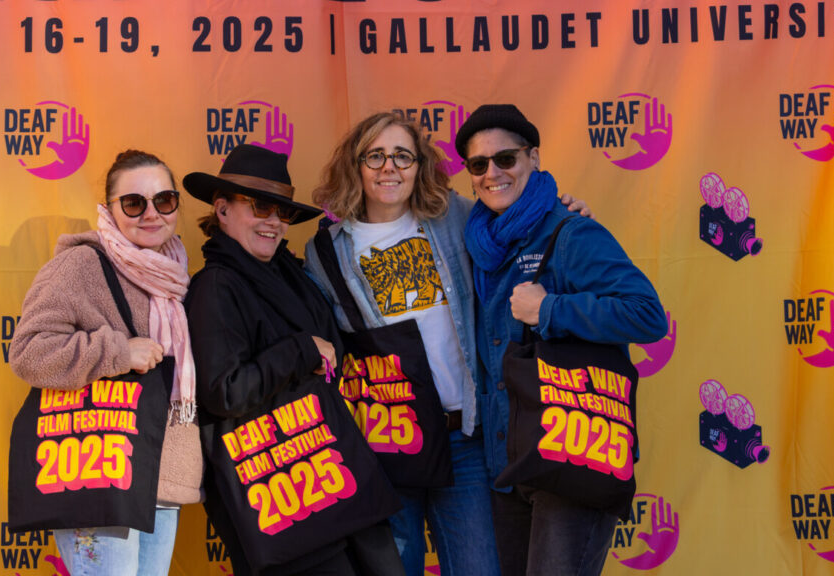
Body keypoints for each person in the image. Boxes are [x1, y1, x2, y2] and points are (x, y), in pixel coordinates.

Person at [304, 111, 589, 576]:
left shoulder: (457, 216)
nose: (389, 167)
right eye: (375, 156)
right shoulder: (324, 251)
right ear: (355, 165)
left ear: (420, 166)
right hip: (387, 443)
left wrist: (566, 211)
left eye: (402, 155)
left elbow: (524, 224)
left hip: (466, 437)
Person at [455, 104, 668, 575]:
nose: (493, 173)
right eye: (478, 164)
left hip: (570, 454)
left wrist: (550, 309)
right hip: (505, 465)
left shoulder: (570, 232)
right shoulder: (477, 245)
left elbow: (648, 315)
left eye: (506, 158)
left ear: (533, 158)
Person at [183, 144, 405, 576]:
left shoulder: (290, 273)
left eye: (282, 213)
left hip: (331, 470)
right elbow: (222, 392)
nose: (273, 222)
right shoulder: (215, 287)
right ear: (222, 210)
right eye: (261, 206)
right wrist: (300, 350)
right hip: (282, 489)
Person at [10, 150, 203, 576]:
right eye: (134, 203)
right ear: (109, 210)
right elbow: (27, 352)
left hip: (157, 473)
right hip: (101, 468)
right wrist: (117, 352)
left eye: (164, 200)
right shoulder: (81, 266)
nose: (151, 213)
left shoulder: (174, 271)